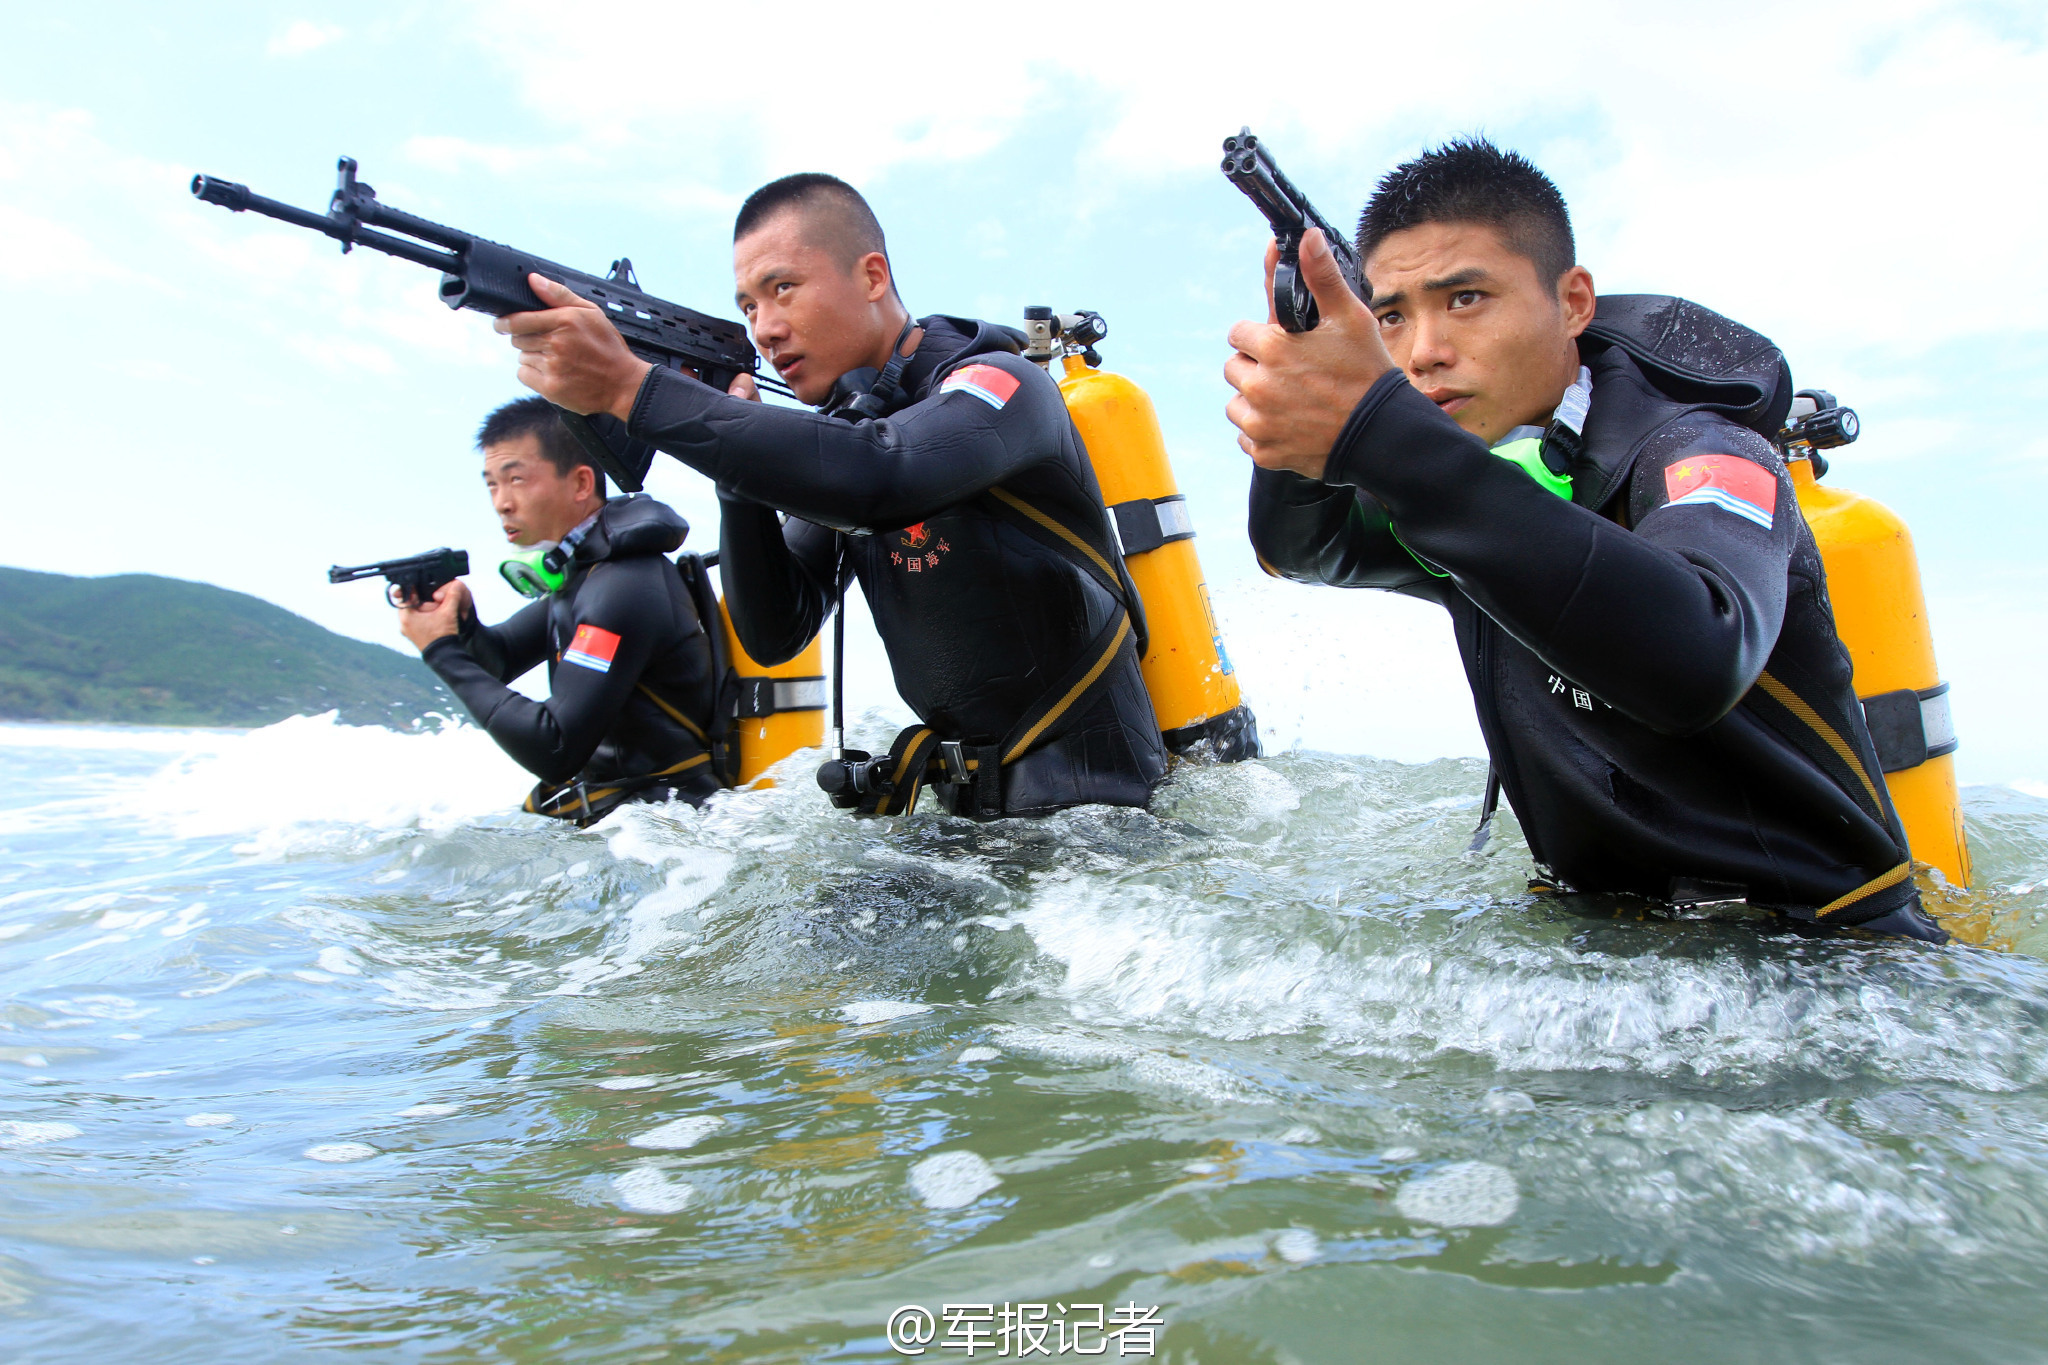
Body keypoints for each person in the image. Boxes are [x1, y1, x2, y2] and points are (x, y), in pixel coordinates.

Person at [1224, 137, 1945, 942]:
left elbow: (1702, 653)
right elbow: (1304, 547)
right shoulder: (1475, 487)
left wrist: (1383, 436)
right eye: (1390, 316)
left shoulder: (1700, 451)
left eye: (1465, 298)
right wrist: (1306, 398)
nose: (1423, 351)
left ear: (1572, 302)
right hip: (1595, 942)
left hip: (1825, 964)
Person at [492, 173, 1165, 819]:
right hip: (968, 822)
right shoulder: (847, 442)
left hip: (1102, 816)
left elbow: (884, 473)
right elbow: (775, 628)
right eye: (749, 306)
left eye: (782, 288)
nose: (764, 328)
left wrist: (630, 389)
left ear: (872, 276)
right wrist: (739, 483)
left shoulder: (1003, 386)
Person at [398, 396, 723, 825]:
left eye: (516, 479)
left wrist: (441, 650)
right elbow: (499, 658)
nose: (501, 502)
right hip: (627, 829)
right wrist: (462, 622)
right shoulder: (587, 575)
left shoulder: (623, 586)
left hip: (672, 838)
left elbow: (555, 750)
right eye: (492, 484)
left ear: (581, 484)